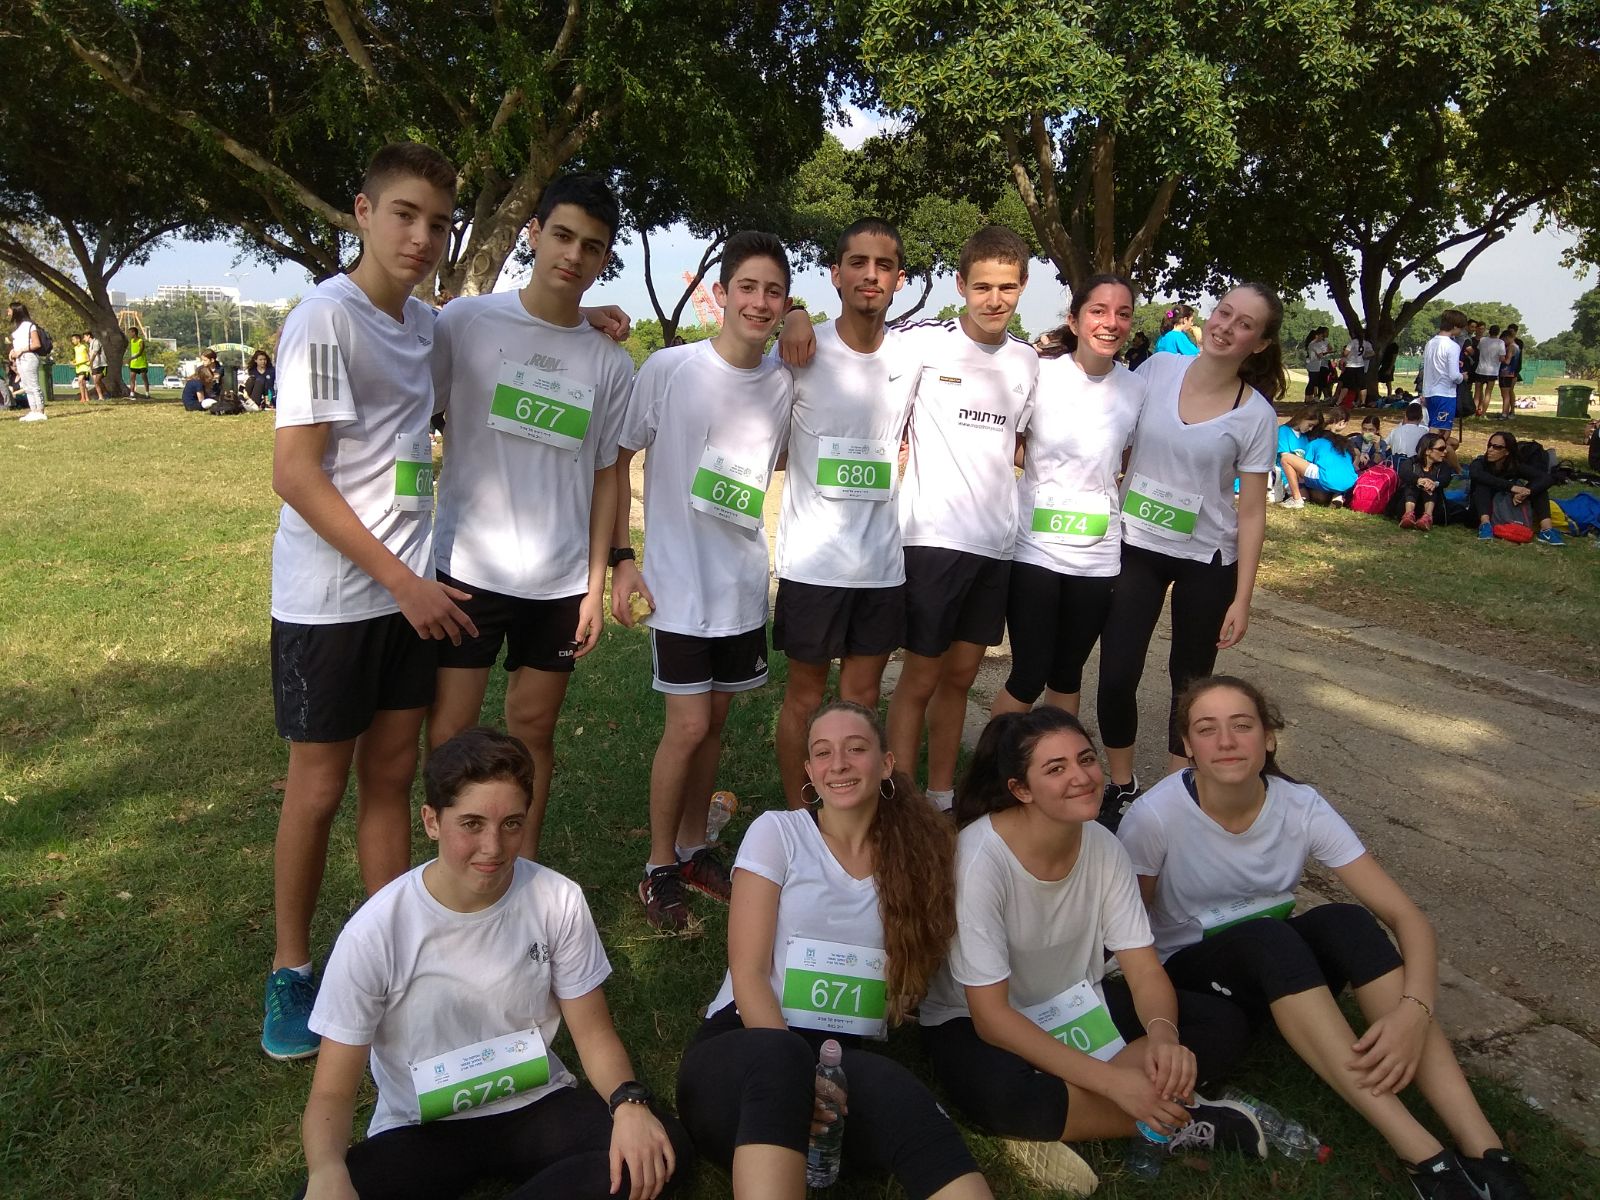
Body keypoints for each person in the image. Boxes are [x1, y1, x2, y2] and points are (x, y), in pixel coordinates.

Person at [1118, 676, 1534, 1200]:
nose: (1225, 741)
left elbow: (1408, 918)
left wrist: (1414, 1010)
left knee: (1347, 921)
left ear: (1269, 737)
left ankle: (1485, 1150)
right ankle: (1424, 1157)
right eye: (1207, 729)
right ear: (1188, 745)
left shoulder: (1300, 805)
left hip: (1275, 966)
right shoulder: (1155, 817)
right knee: (1269, 937)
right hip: (1193, 977)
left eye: (1242, 726)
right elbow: (1129, 933)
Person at [263, 142, 477, 1062]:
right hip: (330, 605)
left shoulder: (426, 325)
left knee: (390, 780)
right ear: (362, 211)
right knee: (317, 790)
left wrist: (587, 315)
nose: (421, 237)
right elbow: (295, 473)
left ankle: (387, 954)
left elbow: (503, 327)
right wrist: (400, 581)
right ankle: (291, 969)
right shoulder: (325, 318)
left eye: (438, 223)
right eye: (404, 214)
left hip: (408, 602)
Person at [295, 727, 691, 1200]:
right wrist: (326, 1170)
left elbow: (594, 1033)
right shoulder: (375, 932)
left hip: (534, 1105)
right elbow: (332, 1093)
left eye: (511, 824)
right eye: (472, 824)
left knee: (662, 1153)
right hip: (421, 1128)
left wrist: (628, 1104)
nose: (493, 847)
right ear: (431, 821)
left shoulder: (556, 899)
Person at [918, 708, 1263, 1188]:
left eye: (1085, 759)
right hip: (975, 1020)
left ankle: (1073, 1111)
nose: (1081, 777)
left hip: (1074, 1001)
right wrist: (1114, 1082)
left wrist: (1163, 1037)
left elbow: (1143, 970)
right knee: (1005, 1095)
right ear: (1021, 789)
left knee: (1221, 1022)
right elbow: (992, 1018)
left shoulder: (1103, 845)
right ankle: (1181, 1116)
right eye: (1055, 768)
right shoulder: (979, 861)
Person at [675, 701, 993, 1200]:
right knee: (781, 1062)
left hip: (836, 1058)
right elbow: (748, 972)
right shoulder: (778, 833)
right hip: (746, 1043)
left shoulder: (916, 855)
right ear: (809, 770)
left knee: (904, 1096)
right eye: (823, 753)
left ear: (886, 763)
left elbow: (910, 979)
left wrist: (828, 1076)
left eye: (856, 749)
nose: (838, 764)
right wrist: (805, 1084)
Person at [781, 226, 1040, 812]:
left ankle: (940, 798)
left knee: (958, 678)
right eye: (982, 286)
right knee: (912, 680)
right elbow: (857, 334)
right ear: (960, 286)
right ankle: (881, 804)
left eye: (1007, 287)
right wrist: (795, 315)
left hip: (994, 548)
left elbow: (1024, 440)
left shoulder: (1028, 361)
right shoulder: (923, 343)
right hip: (927, 541)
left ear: (1024, 287)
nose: (995, 298)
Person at [427, 174, 635, 861]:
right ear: (534, 233)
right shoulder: (465, 324)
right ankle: (451, 876)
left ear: (604, 259)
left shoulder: (609, 360)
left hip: (557, 584)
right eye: (563, 236)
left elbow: (606, 476)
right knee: (450, 737)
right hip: (466, 570)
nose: (574, 255)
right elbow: (409, 408)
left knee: (533, 734)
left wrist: (594, 586)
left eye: (592, 246)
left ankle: (519, 872)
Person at [610, 231, 795, 931]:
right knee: (686, 726)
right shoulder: (671, 368)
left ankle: (693, 847)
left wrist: (802, 323)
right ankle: (658, 865)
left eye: (774, 292)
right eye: (747, 287)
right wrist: (621, 556)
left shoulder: (783, 382)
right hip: (679, 588)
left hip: (741, 587)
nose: (759, 302)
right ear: (721, 294)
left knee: (715, 723)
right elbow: (618, 457)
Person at [1095, 284, 1282, 825]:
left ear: (1259, 343)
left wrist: (1242, 598)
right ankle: (1123, 786)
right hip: (1136, 545)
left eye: (1244, 324)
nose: (1227, 327)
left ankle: (1176, 797)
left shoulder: (1256, 416)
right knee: (1116, 673)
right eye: (1224, 312)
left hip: (1208, 561)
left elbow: (1252, 512)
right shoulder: (1157, 370)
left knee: (1190, 685)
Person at [772, 218, 918, 807]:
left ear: (899, 280)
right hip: (814, 562)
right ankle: (801, 814)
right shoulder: (801, 350)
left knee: (861, 700)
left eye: (884, 265)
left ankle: (851, 814)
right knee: (805, 699)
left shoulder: (912, 356)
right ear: (836, 274)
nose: (870, 275)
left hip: (880, 565)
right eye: (858, 262)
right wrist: (793, 313)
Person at [991, 275, 1143, 722]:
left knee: (1067, 674)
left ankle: (1060, 764)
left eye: (1123, 314)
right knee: (1028, 674)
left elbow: (1127, 459)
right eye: (1098, 311)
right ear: (1074, 321)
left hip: (1097, 555)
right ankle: (993, 762)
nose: (1111, 322)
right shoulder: (1041, 375)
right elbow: (1009, 442)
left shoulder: (1137, 389)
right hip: (1034, 549)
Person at [1468, 431, 1564, 546]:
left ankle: (1547, 530)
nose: (1490, 449)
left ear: (1507, 451)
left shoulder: (1514, 466)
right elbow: (1475, 474)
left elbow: (1546, 478)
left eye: (1497, 447)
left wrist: (1526, 492)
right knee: (1483, 483)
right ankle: (1485, 526)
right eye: (1490, 445)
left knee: (1539, 489)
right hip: (1480, 512)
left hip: (1506, 508)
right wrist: (1512, 487)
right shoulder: (1480, 463)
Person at [1300, 410, 1362, 505]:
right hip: (1350, 482)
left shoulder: (1314, 444)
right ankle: (1338, 495)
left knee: (1318, 492)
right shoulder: (1344, 444)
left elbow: (1306, 465)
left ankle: (1300, 495)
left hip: (1327, 480)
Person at [1420, 309, 1467, 431]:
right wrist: (1463, 376)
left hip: (1429, 393)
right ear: (1455, 326)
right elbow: (1454, 375)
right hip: (1445, 394)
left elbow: (1428, 368)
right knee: (1440, 431)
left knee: (1431, 427)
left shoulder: (1430, 343)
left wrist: (1424, 393)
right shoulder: (1453, 346)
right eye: (1461, 328)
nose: (1461, 331)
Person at [1273, 403, 1324, 509]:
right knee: (1305, 497)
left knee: (1321, 498)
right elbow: (1284, 457)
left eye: (1313, 426)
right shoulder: (1283, 431)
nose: (1310, 429)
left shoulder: (1305, 437)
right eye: (1310, 425)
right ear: (1302, 418)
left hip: (1303, 477)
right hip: (1287, 476)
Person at [1397, 433, 1454, 530]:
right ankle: (1408, 515)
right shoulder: (1412, 462)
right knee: (1413, 484)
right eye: (1441, 449)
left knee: (1430, 486)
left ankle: (1428, 516)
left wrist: (1434, 483)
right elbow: (1403, 472)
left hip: (1434, 504)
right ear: (1427, 451)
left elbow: (1445, 480)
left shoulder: (1444, 466)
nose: (1445, 452)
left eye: (1445, 448)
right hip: (1410, 500)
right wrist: (1418, 480)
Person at [7, 301, 47, 423]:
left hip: (29, 358)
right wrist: (13, 350)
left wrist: (21, 350)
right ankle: (33, 410)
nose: (8, 312)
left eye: (9, 310)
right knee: (27, 386)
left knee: (33, 385)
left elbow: (36, 344)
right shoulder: (18, 328)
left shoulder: (30, 325)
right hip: (20, 359)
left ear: (16, 311)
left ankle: (40, 411)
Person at [1473, 325, 1505, 418]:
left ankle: (1473, 412)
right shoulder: (1500, 342)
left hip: (1480, 369)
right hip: (1492, 371)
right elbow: (1502, 358)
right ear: (1498, 332)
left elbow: (1479, 349)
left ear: (1489, 331)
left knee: (1477, 392)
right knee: (1488, 393)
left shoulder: (1482, 340)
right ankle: (1483, 414)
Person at [1336, 329, 1374, 408]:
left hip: (1351, 365)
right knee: (1362, 385)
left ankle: (1338, 402)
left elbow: (1346, 353)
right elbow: (1372, 353)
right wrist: (1364, 356)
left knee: (1346, 385)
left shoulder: (1353, 342)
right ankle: (1363, 403)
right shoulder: (1366, 343)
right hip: (1360, 365)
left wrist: (1346, 355)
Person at [1497, 324, 1522, 418]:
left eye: (1503, 340)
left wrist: (1501, 358)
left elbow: (1507, 361)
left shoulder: (1511, 347)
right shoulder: (1517, 346)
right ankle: (1506, 412)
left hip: (1506, 373)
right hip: (1511, 373)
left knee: (1505, 394)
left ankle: (1504, 413)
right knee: (1507, 393)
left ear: (1507, 337)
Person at [1301, 327, 1330, 400]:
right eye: (1321, 336)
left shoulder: (1313, 344)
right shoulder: (1314, 344)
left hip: (1315, 365)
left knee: (1313, 382)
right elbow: (1320, 355)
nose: (1322, 338)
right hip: (1314, 365)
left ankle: (1310, 398)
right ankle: (1307, 398)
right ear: (1317, 336)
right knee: (1312, 382)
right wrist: (1326, 353)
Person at [127, 326, 150, 397]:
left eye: (130, 332)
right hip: (134, 364)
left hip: (142, 363)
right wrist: (130, 361)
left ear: (134, 332)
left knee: (144, 378)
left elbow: (140, 352)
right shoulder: (131, 341)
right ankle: (132, 393)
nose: (129, 334)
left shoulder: (141, 341)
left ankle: (147, 393)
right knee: (132, 379)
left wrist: (131, 358)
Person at [71, 333, 92, 403]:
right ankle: (86, 398)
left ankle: (82, 398)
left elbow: (87, 358)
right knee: (83, 383)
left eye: (73, 339)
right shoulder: (75, 348)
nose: (72, 341)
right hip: (78, 368)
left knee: (80, 381)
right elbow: (77, 358)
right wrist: (74, 361)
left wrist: (79, 363)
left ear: (78, 339)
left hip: (84, 367)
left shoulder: (83, 347)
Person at [88, 331, 108, 400]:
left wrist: (90, 362)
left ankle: (106, 393)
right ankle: (101, 396)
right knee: (96, 382)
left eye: (84, 337)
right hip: (95, 365)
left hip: (101, 364)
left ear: (88, 336)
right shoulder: (90, 344)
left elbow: (95, 353)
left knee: (97, 381)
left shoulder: (96, 342)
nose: (84, 339)